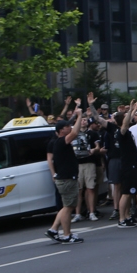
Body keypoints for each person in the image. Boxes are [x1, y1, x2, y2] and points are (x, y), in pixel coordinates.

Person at [45, 102, 85, 244]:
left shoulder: (59, 142)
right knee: (68, 208)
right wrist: (80, 116)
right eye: (67, 126)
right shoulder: (62, 141)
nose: (70, 128)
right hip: (66, 179)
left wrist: (75, 114)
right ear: (62, 130)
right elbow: (75, 132)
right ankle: (67, 235)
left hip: (66, 178)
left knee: (66, 206)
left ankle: (54, 229)